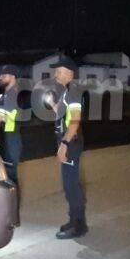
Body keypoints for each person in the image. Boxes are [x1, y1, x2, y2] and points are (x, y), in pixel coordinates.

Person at [50, 56, 87, 239]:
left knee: (71, 186)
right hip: (68, 141)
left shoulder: (73, 89)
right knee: (68, 185)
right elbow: (65, 115)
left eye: (59, 70)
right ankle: (74, 220)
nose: (55, 74)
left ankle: (78, 225)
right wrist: (53, 105)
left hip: (71, 142)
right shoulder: (68, 91)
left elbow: (75, 120)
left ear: (69, 72)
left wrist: (64, 144)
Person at [0, 65, 22, 187]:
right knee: (6, 173)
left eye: (3, 75)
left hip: (11, 139)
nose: (0, 78)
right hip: (4, 138)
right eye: (0, 75)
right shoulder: (3, 95)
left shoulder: (13, 95)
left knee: (10, 176)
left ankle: (13, 197)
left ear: (12, 76)